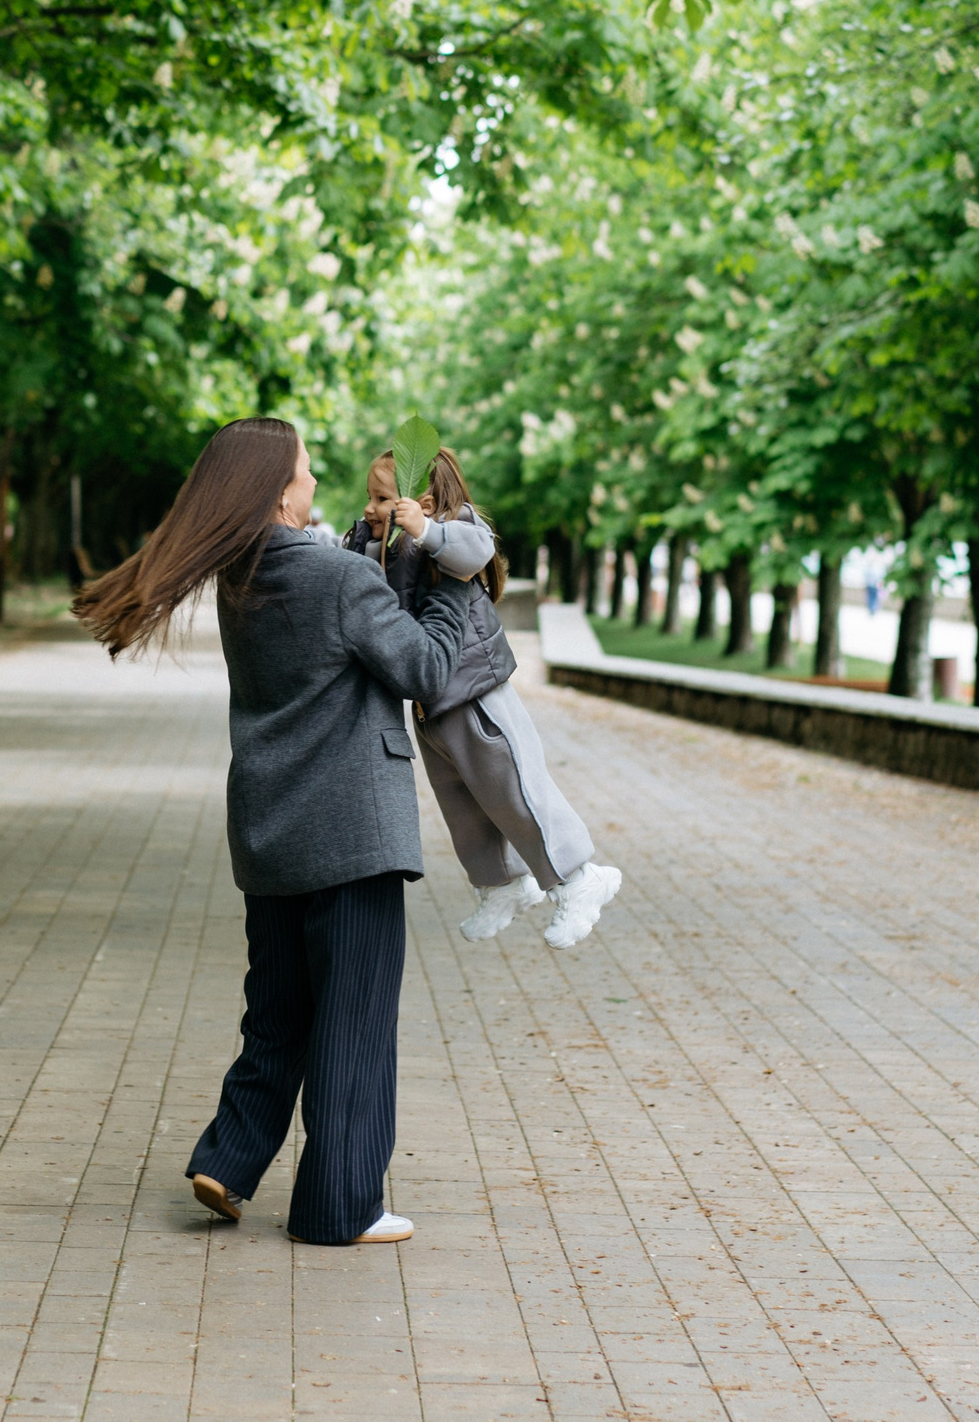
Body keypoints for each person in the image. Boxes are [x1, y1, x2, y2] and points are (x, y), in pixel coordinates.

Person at [74, 418, 464, 1247]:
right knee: (352, 1023)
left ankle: (229, 1157)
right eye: (308, 471)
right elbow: (424, 668)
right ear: (281, 491)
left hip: (273, 826)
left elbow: (342, 622)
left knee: (279, 1012)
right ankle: (339, 1207)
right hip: (353, 832)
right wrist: (449, 576)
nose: (317, 482)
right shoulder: (333, 579)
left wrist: (378, 549)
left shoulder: (242, 578)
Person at [343, 447, 623, 949]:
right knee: (462, 803)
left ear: (422, 502)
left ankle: (580, 878)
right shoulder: (384, 546)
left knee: (515, 787)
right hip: (432, 703)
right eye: (369, 497)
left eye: (381, 497)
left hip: (475, 690)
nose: (369, 507)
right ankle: (503, 884)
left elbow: (476, 553)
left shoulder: (453, 526)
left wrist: (425, 532)